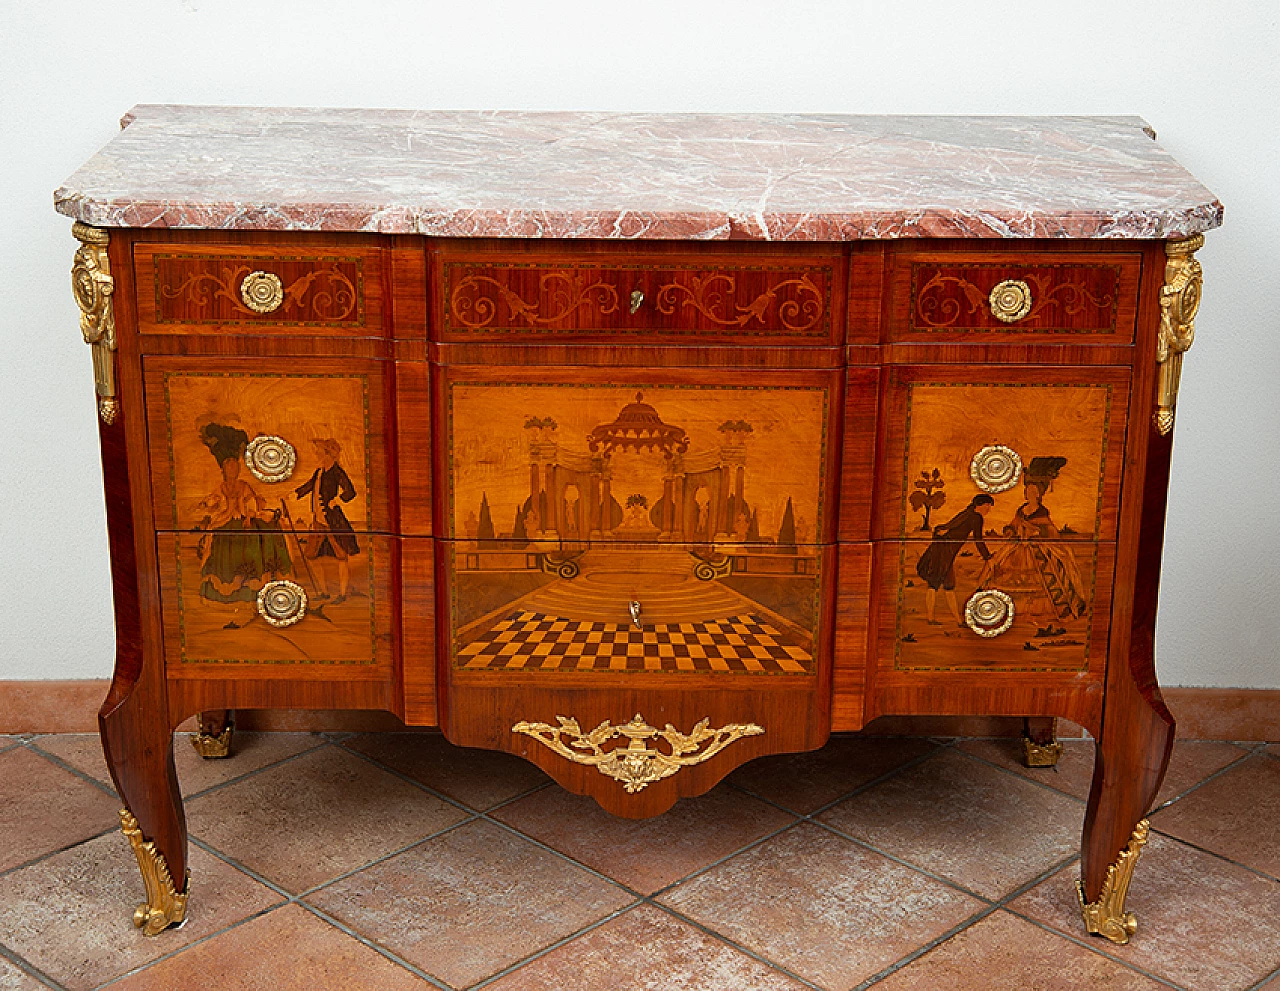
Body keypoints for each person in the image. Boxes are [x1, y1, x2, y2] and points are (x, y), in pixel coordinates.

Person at [194, 422, 291, 622]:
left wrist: (250, 514)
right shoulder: (222, 487)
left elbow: (251, 502)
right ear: (224, 469)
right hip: (226, 521)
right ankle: (229, 594)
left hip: (243, 519)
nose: (233, 470)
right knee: (225, 540)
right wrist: (208, 503)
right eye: (230, 467)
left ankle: (257, 590)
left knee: (260, 533)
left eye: (235, 466)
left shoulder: (243, 485)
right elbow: (214, 502)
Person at [979, 457, 1086, 624]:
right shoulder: (1021, 509)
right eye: (1027, 490)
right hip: (1018, 548)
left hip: (1038, 550)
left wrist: (1036, 533)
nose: (1029, 493)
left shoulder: (1042, 512)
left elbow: (1050, 531)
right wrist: (1010, 531)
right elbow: (1013, 525)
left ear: (1038, 493)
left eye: (1032, 491)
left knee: (1051, 576)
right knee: (997, 565)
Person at [294, 438, 361, 603]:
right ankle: (324, 591)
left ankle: (343, 594)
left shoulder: (337, 472)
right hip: (318, 521)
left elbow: (350, 491)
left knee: (341, 556)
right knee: (310, 555)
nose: (316, 454)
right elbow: (309, 486)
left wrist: (337, 500)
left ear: (329, 454)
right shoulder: (318, 472)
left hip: (333, 521)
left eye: (319, 452)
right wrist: (293, 494)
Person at [915, 494, 994, 626]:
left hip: (943, 549)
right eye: (987, 506)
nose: (988, 509)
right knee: (939, 584)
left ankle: (952, 620)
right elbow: (978, 539)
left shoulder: (968, 513)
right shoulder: (976, 517)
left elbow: (949, 526)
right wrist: (988, 557)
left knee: (945, 584)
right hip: (944, 551)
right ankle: (939, 619)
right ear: (980, 505)